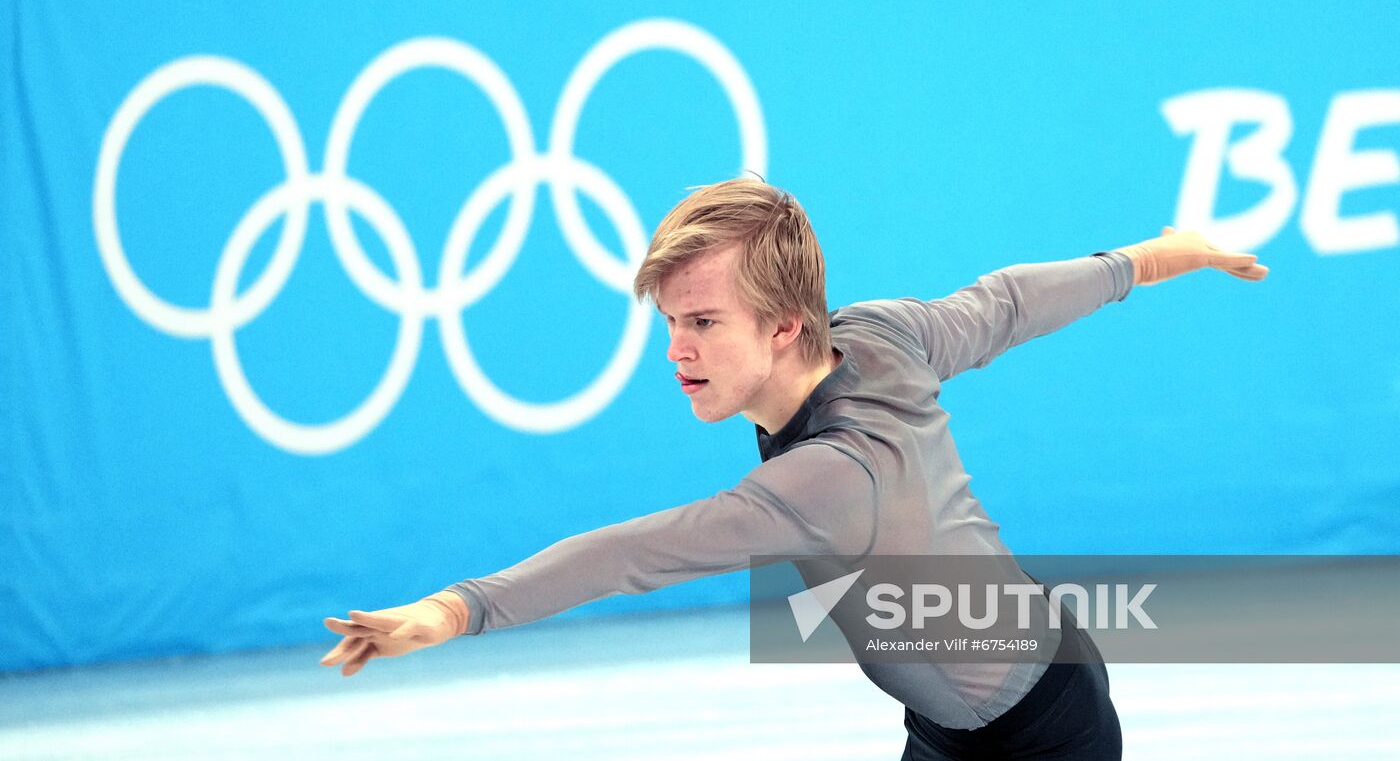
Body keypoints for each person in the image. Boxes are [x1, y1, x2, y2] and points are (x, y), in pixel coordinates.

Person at [320, 178, 1268, 758]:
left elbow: (635, 553)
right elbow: (1006, 302)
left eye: (701, 324)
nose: (675, 350)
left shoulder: (832, 478)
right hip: (953, 728)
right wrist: (1148, 257)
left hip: (1045, 734)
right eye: (671, 323)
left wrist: (458, 607)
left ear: (782, 327)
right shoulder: (878, 334)